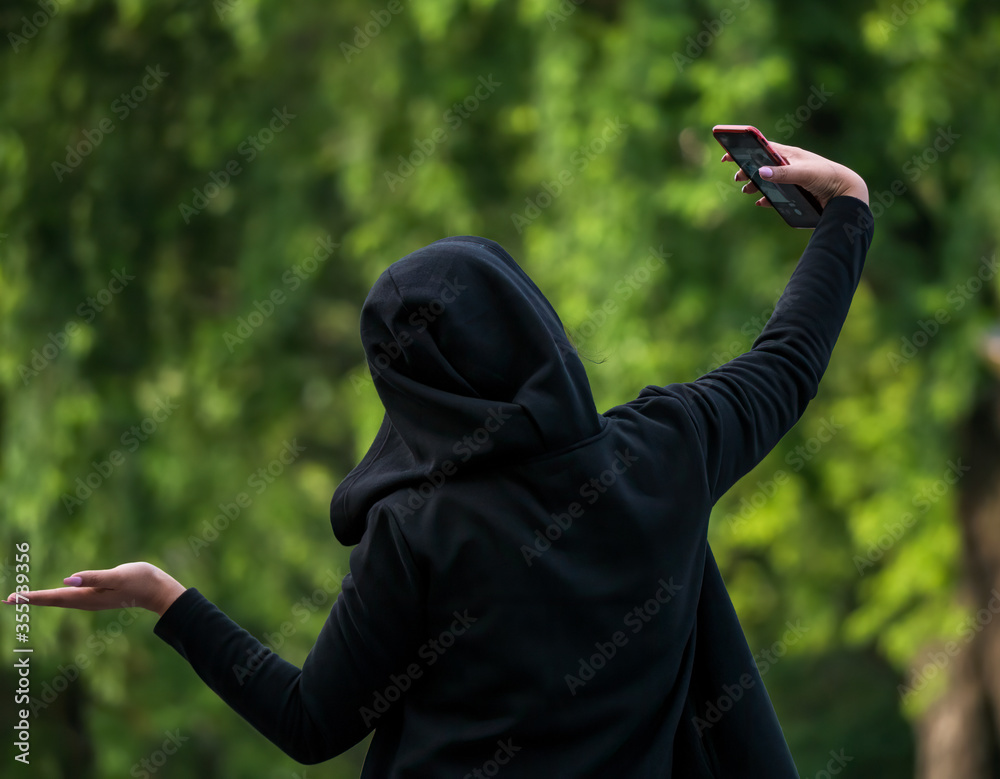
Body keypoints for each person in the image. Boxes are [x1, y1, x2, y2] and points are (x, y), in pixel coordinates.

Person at [4, 141, 872, 777]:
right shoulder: (670, 447)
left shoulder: (418, 533)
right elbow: (788, 362)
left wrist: (166, 599)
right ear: (532, 320)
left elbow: (311, 723)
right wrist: (846, 209)